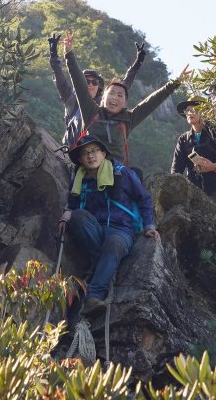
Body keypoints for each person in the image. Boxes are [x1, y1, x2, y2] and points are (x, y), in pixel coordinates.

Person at [58, 133, 160, 315]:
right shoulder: (78, 181)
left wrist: (149, 226)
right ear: (80, 159)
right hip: (94, 230)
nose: (90, 156)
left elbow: (144, 199)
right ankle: (106, 264)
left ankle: (93, 296)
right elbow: (74, 206)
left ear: (104, 154)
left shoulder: (122, 173)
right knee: (78, 216)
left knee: (114, 244)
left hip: (120, 229)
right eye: (85, 153)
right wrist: (67, 214)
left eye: (94, 151)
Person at [63, 33, 190, 165]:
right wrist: (69, 53)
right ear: (103, 98)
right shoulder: (91, 111)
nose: (115, 97)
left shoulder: (128, 119)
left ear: (124, 103)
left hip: (115, 173)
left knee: (134, 181)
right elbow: (79, 83)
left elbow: (152, 101)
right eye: (111, 93)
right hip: (89, 168)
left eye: (119, 95)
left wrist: (176, 82)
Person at [48, 34, 146, 148]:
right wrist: (53, 53)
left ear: (98, 87)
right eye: (86, 81)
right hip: (72, 149)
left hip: (95, 155)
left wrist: (137, 64)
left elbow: (123, 87)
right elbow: (59, 77)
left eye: (94, 82)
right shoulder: (72, 100)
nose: (90, 85)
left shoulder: (103, 105)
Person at [170, 99, 216, 206]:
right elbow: (176, 169)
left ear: (204, 112)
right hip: (194, 192)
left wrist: (215, 166)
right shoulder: (184, 139)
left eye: (193, 109)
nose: (189, 113)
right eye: (187, 110)